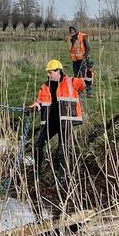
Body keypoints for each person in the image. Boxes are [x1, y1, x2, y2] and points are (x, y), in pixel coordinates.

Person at [29, 59, 86, 189]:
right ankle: (36, 173)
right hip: (51, 123)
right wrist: (34, 107)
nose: (48, 75)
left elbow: (84, 84)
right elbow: (39, 102)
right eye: (48, 73)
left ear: (58, 71)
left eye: (50, 72)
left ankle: (62, 178)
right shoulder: (44, 87)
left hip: (65, 122)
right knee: (37, 146)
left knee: (63, 150)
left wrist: (87, 71)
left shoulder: (71, 82)